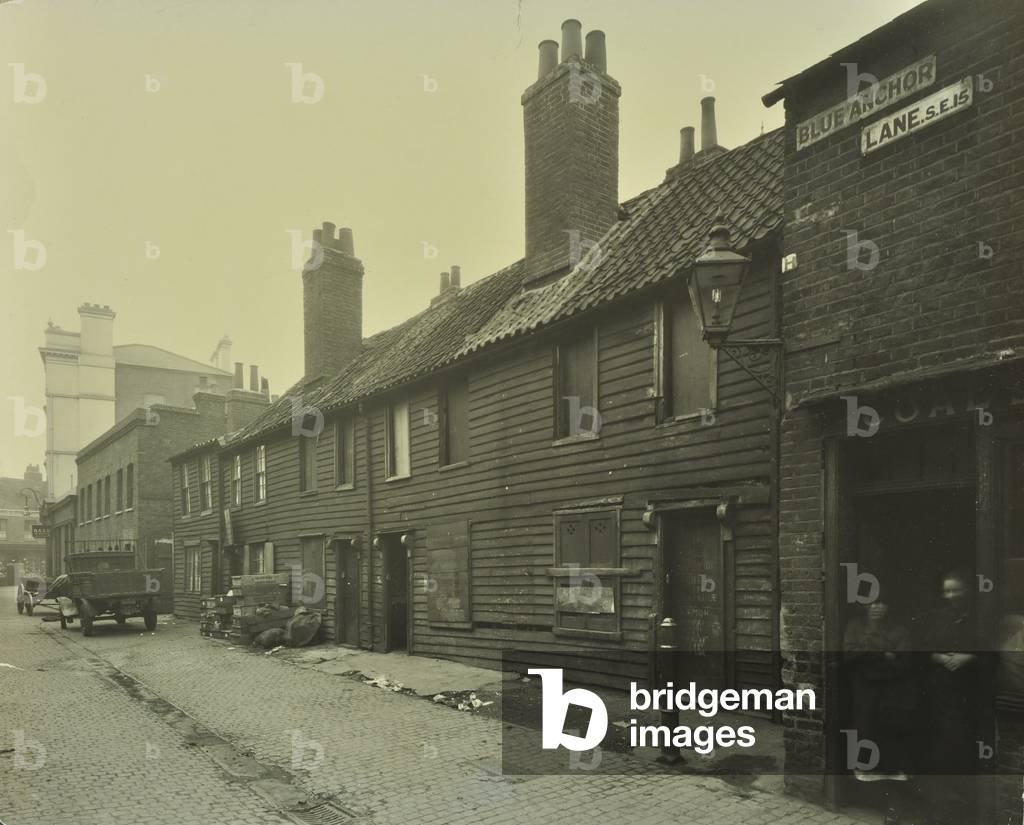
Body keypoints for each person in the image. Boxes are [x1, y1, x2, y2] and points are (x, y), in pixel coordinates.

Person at [917, 570, 983, 825]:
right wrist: (939, 657)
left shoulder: (976, 618)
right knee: (940, 746)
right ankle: (940, 806)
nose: (952, 595)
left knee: (960, 745)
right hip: (939, 690)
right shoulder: (936, 618)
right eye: (947, 591)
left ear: (966, 591)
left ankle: (962, 807)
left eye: (956, 590)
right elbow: (922, 648)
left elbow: (990, 650)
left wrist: (969, 657)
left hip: (967, 690)